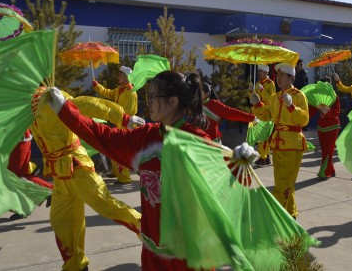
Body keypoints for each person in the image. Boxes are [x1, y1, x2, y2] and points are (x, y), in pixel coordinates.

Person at [41, 71, 230, 270]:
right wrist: (64, 110)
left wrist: (234, 162)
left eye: (153, 97)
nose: (148, 102)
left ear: (173, 101)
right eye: (148, 96)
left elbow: (222, 191)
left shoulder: (194, 141)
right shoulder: (145, 137)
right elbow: (103, 136)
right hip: (153, 251)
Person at [30, 91, 142, 271]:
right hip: (59, 175)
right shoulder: (22, 109)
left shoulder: (49, 96)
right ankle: (76, 265)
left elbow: (85, 104)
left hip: (77, 167)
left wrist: (123, 117)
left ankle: (148, 230)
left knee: (106, 205)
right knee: (61, 222)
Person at [250, 63, 309, 218]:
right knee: (283, 182)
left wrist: (291, 106)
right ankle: (291, 213)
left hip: (292, 144)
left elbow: (304, 120)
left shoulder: (298, 96)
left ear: (291, 77)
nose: (279, 79)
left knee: (284, 183)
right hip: (277, 144)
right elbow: (266, 115)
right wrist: (257, 103)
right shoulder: (275, 97)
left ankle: (277, 215)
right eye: (278, 76)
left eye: (283, 76)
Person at [93, 66, 138, 183]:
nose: (118, 76)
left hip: (126, 126)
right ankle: (116, 172)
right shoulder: (119, 89)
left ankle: (124, 178)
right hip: (118, 124)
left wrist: (112, 116)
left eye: (120, 74)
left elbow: (127, 114)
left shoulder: (131, 93)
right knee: (114, 150)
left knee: (121, 152)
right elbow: (108, 93)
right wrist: (97, 86)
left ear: (126, 77)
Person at [7, 129, 53, 221]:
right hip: (12, 140)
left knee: (16, 177)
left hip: (17, 140)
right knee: (11, 177)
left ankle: (50, 190)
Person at [307, 77, 340, 180]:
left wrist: (328, 111)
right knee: (324, 150)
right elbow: (310, 111)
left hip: (332, 126)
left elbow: (336, 112)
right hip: (321, 126)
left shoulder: (334, 97)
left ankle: (325, 172)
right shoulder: (317, 97)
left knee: (329, 150)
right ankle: (331, 170)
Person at [251, 64, 276, 166]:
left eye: (261, 71)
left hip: (266, 112)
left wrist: (262, 90)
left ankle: (262, 157)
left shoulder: (271, 83)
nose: (259, 73)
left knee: (263, 135)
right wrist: (250, 91)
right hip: (258, 111)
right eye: (259, 71)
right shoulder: (257, 83)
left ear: (266, 72)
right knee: (261, 136)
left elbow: (272, 99)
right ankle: (267, 156)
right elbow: (253, 98)